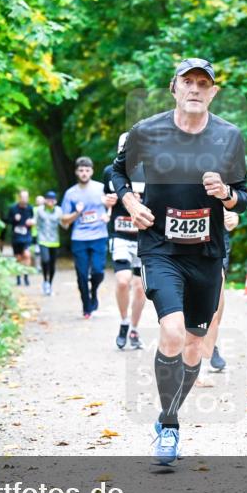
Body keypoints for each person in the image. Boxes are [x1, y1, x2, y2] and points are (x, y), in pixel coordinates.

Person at [110, 57, 247, 465]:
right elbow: (115, 174)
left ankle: (168, 414)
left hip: (207, 252)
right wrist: (132, 202)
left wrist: (225, 195)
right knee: (171, 332)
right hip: (160, 246)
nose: (194, 89)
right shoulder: (147, 131)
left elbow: (243, 195)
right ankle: (169, 428)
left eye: (202, 83)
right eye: (187, 82)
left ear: (213, 92)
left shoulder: (229, 136)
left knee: (195, 345)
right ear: (174, 88)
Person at [103, 132, 147, 350]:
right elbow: (105, 201)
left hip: (143, 238)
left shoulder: (148, 173)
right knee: (122, 281)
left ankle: (135, 329)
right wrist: (107, 201)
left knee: (140, 288)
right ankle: (123, 321)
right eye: (123, 146)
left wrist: (142, 201)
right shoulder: (109, 172)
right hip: (119, 234)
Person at [60, 156, 109, 318]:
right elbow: (64, 220)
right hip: (79, 238)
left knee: (98, 272)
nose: (84, 173)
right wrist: (77, 213)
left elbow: (114, 206)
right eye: (81, 170)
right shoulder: (70, 193)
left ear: (92, 171)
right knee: (81, 274)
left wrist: (108, 213)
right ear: (76, 172)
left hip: (99, 236)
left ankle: (93, 291)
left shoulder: (102, 188)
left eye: (87, 170)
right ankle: (86, 307)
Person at [195, 209, 239, 388]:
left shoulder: (225, 179)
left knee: (215, 295)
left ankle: (203, 361)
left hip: (217, 237)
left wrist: (234, 215)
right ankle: (191, 348)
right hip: (185, 235)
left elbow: (236, 196)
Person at [35, 190, 62, 295]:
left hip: (54, 241)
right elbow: (35, 222)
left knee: (52, 264)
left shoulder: (59, 210)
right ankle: (45, 281)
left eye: (52, 199)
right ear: (45, 200)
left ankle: (49, 284)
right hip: (43, 240)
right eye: (48, 199)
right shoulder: (39, 210)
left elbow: (63, 224)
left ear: (55, 201)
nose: (50, 201)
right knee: (45, 260)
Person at [7, 189, 34, 286]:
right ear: (19, 198)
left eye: (26, 197)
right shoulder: (13, 209)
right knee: (18, 257)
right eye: (23, 197)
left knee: (27, 255)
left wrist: (31, 222)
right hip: (16, 237)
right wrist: (14, 219)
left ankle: (26, 277)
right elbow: (8, 221)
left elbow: (34, 219)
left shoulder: (30, 208)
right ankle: (18, 278)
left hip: (26, 235)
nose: (24, 199)